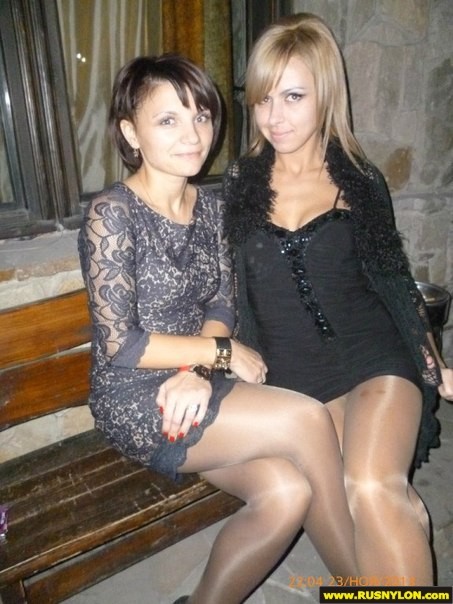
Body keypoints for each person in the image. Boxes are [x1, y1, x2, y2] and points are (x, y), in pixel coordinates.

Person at [78, 53, 358, 604]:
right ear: (131, 133)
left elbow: (222, 301)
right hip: (136, 396)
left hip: (197, 378)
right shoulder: (112, 214)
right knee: (307, 419)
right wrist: (219, 353)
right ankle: (368, 589)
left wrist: (202, 366)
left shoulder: (210, 207)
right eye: (168, 120)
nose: (193, 135)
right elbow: (120, 344)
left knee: (287, 492)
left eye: (201, 116)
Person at [223, 13, 453, 587]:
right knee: (357, 542)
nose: (275, 117)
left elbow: (393, 279)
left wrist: (433, 363)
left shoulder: (359, 179)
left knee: (370, 486)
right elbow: (227, 288)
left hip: (373, 358)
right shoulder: (240, 182)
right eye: (263, 99)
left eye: (293, 96)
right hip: (295, 383)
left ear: (325, 94)